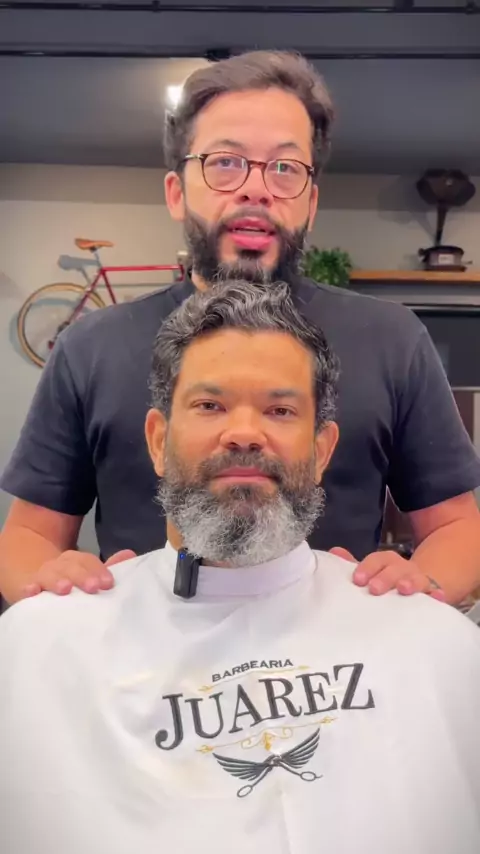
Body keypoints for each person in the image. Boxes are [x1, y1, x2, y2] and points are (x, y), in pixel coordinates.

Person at [0, 282, 479, 854]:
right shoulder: (44, 643)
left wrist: (419, 609)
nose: (245, 433)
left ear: (322, 450)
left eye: (280, 410)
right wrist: (56, 616)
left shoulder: (429, 640)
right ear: (158, 440)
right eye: (210, 406)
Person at [1, 50, 480, 607]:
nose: (256, 189)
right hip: (143, 658)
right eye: (225, 162)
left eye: (285, 168)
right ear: (176, 192)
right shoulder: (91, 347)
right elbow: (28, 536)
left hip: (339, 656)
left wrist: (417, 598)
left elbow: (458, 528)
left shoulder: (392, 339)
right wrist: (54, 591)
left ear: (310, 202)